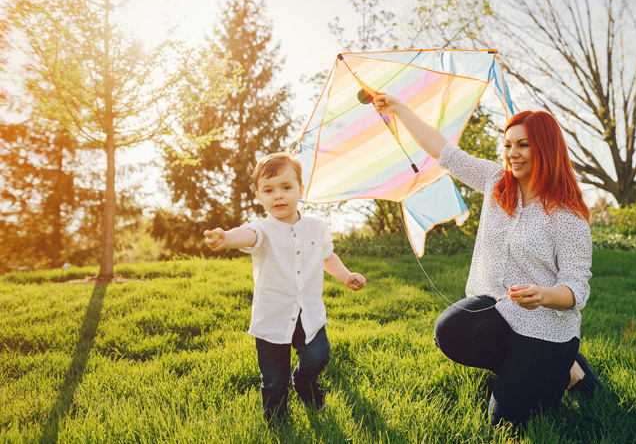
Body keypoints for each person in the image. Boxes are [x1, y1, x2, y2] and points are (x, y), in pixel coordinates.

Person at [374, 94, 601, 427]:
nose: (512, 154)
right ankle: (531, 368)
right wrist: (400, 110)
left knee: (504, 423)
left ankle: (562, 370)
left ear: (546, 148)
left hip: (546, 328)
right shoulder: (497, 183)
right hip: (499, 309)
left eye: (522, 145)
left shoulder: (567, 216)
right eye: (508, 145)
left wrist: (543, 295)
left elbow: (577, 290)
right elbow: (444, 151)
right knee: (449, 330)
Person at [203, 152, 366, 422]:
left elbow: (327, 256)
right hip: (273, 314)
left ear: (301, 190)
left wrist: (346, 275)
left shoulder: (316, 227)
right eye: (269, 190)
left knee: (318, 356)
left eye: (286, 187)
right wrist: (226, 237)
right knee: (274, 381)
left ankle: (304, 381)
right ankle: (278, 423)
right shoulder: (263, 228)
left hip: (309, 312)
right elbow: (247, 235)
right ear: (258, 195)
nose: (278, 195)